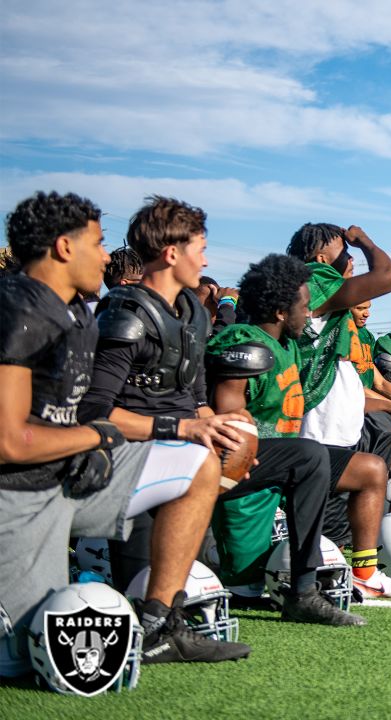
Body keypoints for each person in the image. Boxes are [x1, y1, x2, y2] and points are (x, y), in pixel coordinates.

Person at [0, 191, 250, 677]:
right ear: (64, 247)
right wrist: (98, 437)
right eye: (97, 242)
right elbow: (9, 442)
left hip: (70, 478)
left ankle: (159, 624)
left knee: (200, 462)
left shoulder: (73, 311)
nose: (108, 256)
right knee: (34, 663)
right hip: (20, 494)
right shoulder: (16, 309)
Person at [84, 196, 367, 624]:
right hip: (137, 453)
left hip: (191, 450)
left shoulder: (193, 313)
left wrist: (229, 433)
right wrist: (185, 429)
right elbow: (97, 412)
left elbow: (197, 401)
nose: (207, 258)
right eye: (200, 247)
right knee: (142, 595)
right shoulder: (125, 314)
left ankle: (302, 591)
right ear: (171, 253)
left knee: (307, 457)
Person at [207, 254, 391, 602]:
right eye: (305, 307)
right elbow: (230, 427)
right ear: (281, 311)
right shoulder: (246, 343)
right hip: (245, 472)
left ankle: (352, 576)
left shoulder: (289, 345)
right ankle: (294, 584)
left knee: (367, 468)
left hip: (284, 462)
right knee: (245, 587)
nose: (310, 314)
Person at [286, 222, 391, 594]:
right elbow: (388, 275)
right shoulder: (317, 280)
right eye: (343, 249)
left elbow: (346, 382)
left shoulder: (331, 306)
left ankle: (368, 570)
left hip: (339, 428)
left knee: (372, 475)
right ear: (321, 257)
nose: (351, 256)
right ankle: (360, 574)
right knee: (327, 532)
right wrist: (365, 239)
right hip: (317, 433)